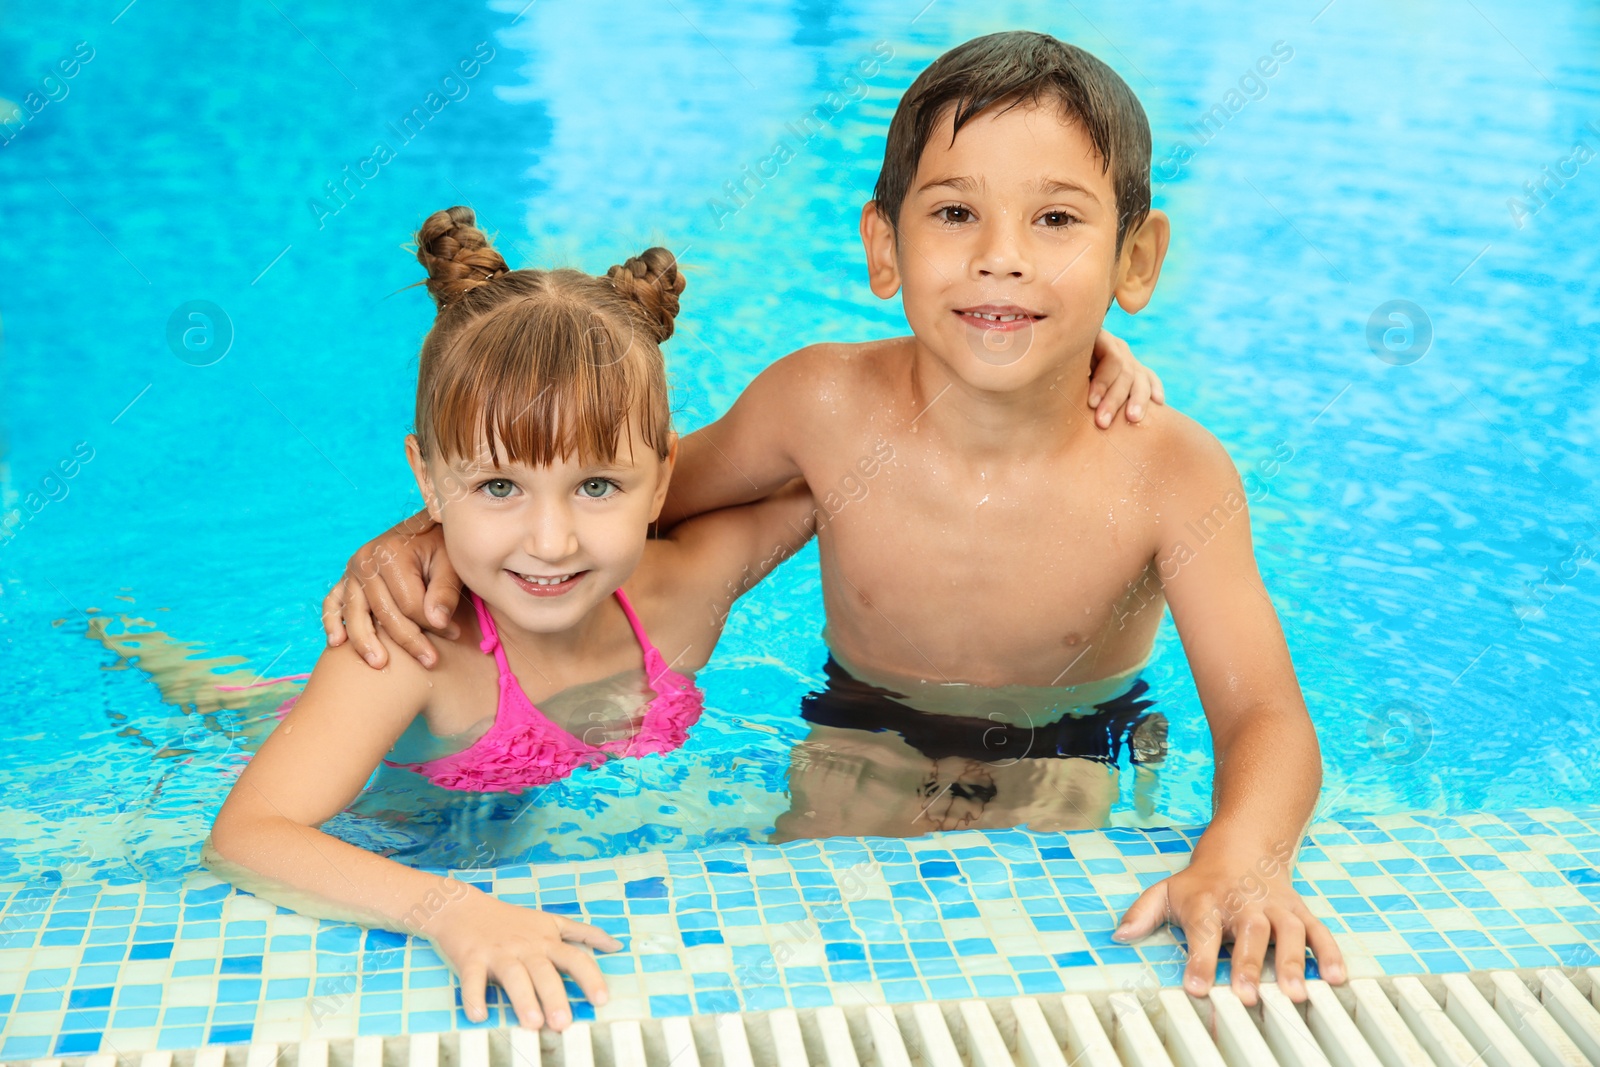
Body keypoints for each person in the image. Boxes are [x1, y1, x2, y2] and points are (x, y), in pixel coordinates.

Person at [327, 31, 1342, 1006]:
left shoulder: (1172, 471)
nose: (1000, 258)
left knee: (1040, 981)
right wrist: (418, 538)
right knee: (801, 968)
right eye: (953, 214)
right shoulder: (821, 408)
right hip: (859, 735)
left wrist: (1242, 859)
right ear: (882, 246)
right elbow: (607, 491)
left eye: (1056, 221)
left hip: (1066, 755)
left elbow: (1265, 716)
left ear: (1136, 259)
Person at [203, 207, 817, 1033]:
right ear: (427, 476)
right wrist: (450, 910)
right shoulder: (408, 647)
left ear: (664, 475)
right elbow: (246, 834)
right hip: (382, 798)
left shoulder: (684, 596)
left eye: (598, 486)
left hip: (518, 800)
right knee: (206, 699)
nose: (552, 541)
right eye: (498, 487)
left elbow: (825, 476)